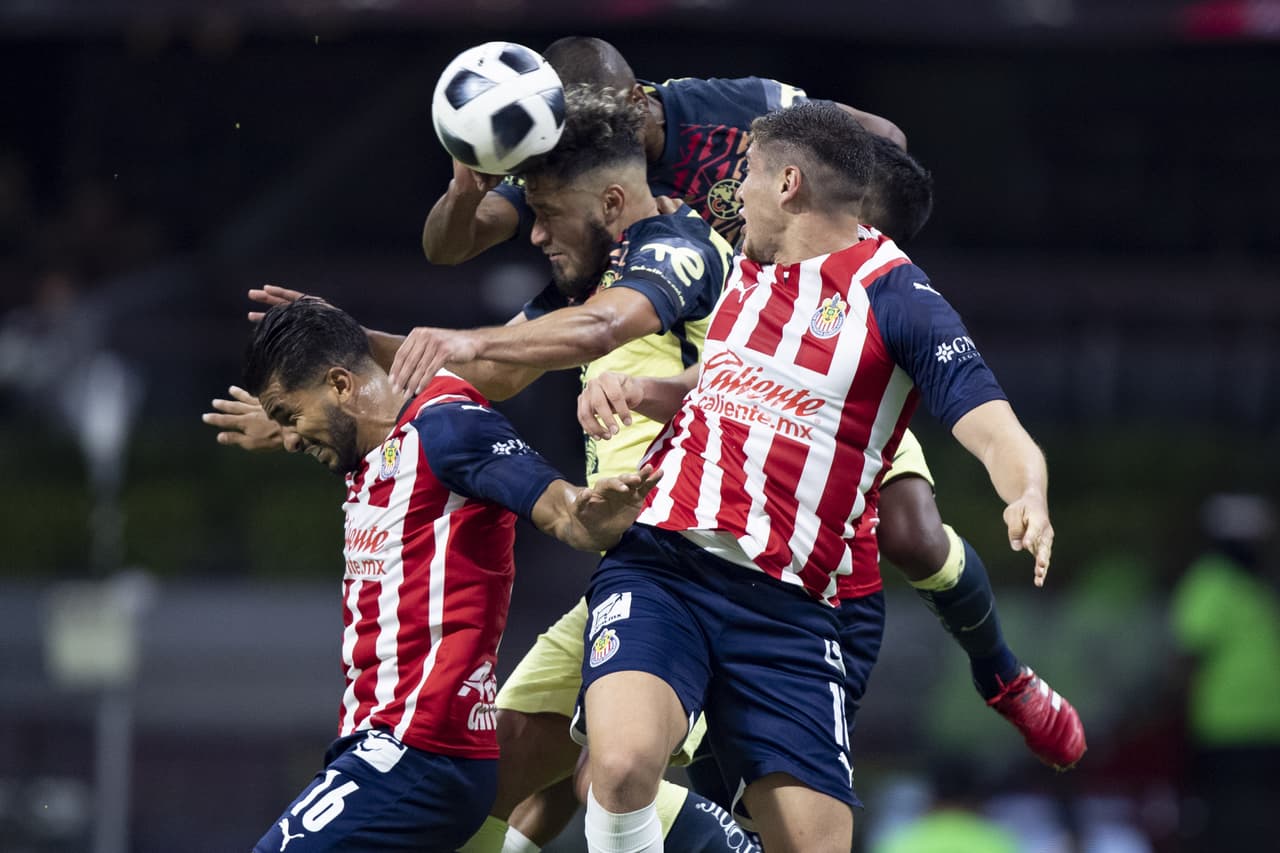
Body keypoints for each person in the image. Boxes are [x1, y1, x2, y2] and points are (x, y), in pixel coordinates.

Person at [207, 89, 761, 853]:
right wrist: (325, 364)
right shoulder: (407, 420)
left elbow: (560, 352)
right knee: (523, 777)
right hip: (615, 569)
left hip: (696, 560)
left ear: (602, 194)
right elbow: (482, 354)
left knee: (611, 769)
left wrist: (586, 509)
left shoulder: (674, 248)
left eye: (542, 209)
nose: (531, 231)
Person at [560, 101, 1059, 853]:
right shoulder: (744, 271)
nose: (735, 195)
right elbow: (724, 379)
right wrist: (640, 391)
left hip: (791, 610)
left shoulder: (900, 299)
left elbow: (994, 423)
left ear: (789, 184)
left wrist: (1028, 490)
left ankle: (1003, 671)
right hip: (666, 563)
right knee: (622, 763)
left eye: (748, 179)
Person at [235, 298, 662, 852]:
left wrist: (591, 511)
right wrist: (282, 422)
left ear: (341, 386)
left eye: (291, 417)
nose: (292, 440)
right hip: (376, 744)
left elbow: (565, 515)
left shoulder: (449, 427)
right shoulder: (371, 449)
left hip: (420, 749)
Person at [420, 35, 904, 268]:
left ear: (637, 99)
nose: (595, 138)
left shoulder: (736, 107)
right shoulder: (561, 150)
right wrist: (464, 192)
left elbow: (884, 137)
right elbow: (447, 250)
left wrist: (832, 253)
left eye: (605, 122)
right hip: (660, 349)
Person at [1170, 493, 1280, 850]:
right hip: (1226, 729)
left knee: (1260, 821)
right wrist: (1178, 716)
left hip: (1264, 726)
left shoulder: (1254, 586)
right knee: (1233, 822)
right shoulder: (1211, 582)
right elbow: (1189, 654)